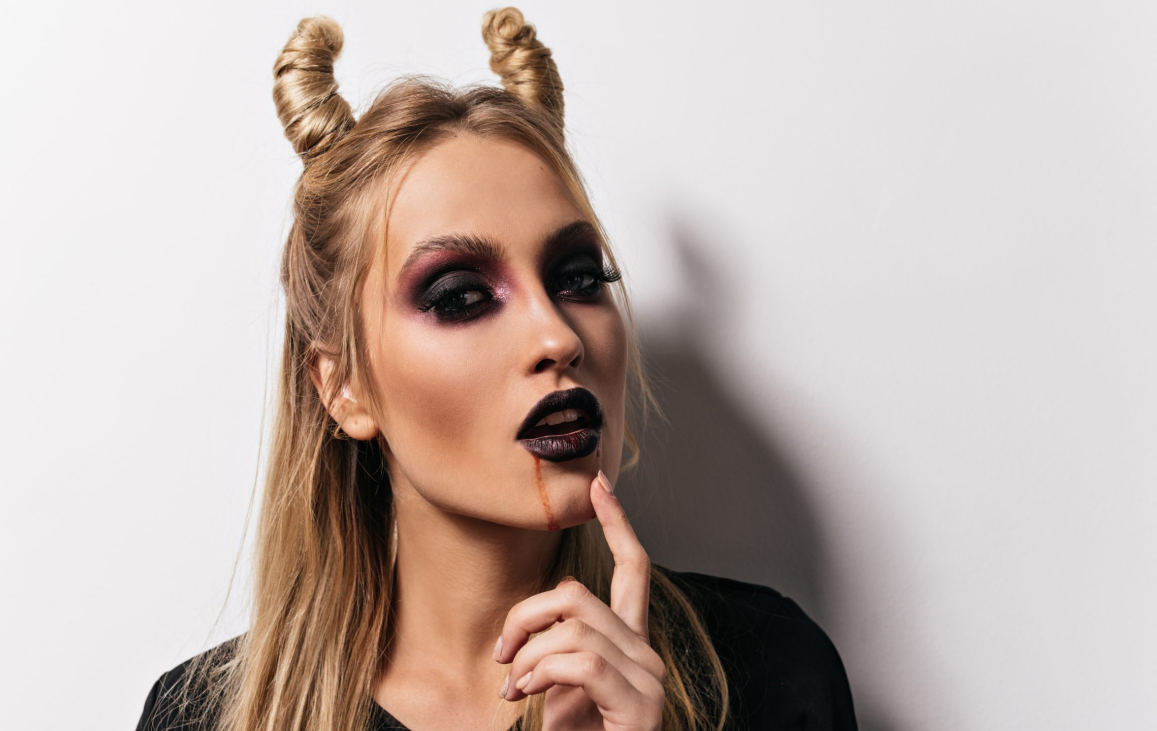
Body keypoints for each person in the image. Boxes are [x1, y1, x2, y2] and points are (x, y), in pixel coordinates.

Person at [135, 7, 857, 731]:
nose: (557, 335)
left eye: (578, 277)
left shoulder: (773, 673)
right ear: (343, 388)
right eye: (461, 296)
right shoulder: (203, 717)